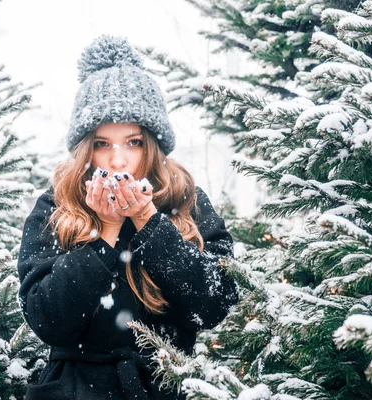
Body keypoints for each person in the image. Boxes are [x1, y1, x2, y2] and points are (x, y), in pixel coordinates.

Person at [17, 35, 239, 400]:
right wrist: (105, 232)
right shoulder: (57, 205)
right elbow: (48, 320)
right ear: (86, 148)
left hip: (167, 388)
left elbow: (212, 304)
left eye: (133, 142)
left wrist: (149, 221)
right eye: (103, 144)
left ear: (152, 144)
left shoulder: (186, 201)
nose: (118, 161)